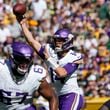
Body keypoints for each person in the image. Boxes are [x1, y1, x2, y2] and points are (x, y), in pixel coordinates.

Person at [17, 16, 84, 110]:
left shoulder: (75, 56)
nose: (57, 43)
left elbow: (62, 73)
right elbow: (32, 42)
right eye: (56, 40)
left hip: (72, 95)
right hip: (59, 96)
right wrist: (23, 25)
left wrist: (48, 59)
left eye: (61, 40)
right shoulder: (50, 50)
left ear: (68, 41)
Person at [0, 41, 58, 110]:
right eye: (21, 59)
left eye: (27, 60)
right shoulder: (2, 69)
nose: (24, 65)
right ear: (12, 58)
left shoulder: (36, 75)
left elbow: (52, 97)